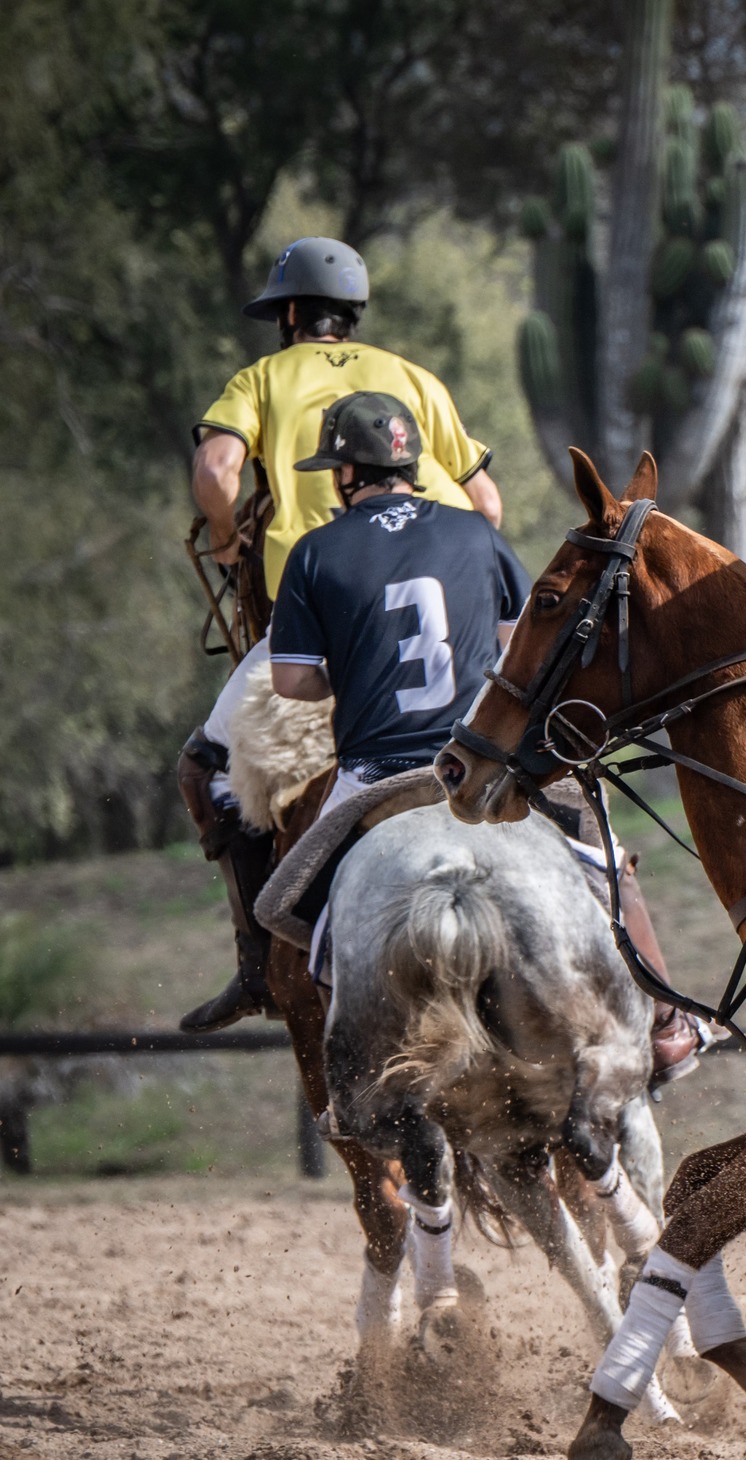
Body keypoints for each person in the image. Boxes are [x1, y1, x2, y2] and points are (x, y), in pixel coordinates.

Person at [267, 392, 707, 1084]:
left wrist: (347, 677)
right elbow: (518, 653)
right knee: (607, 863)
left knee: (292, 912)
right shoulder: (478, 534)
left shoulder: (314, 551)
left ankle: (348, 1069)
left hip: (373, 774)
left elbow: (292, 683)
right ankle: (667, 1024)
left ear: (346, 473)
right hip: (485, 764)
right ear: (409, 465)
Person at [178, 236, 503, 1032]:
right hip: (449, 615)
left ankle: (260, 966)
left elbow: (219, 473)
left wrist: (226, 540)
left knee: (205, 771)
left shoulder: (260, 378)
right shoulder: (412, 378)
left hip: (324, 622)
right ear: (350, 313)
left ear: (288, 314)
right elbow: (487, 503)